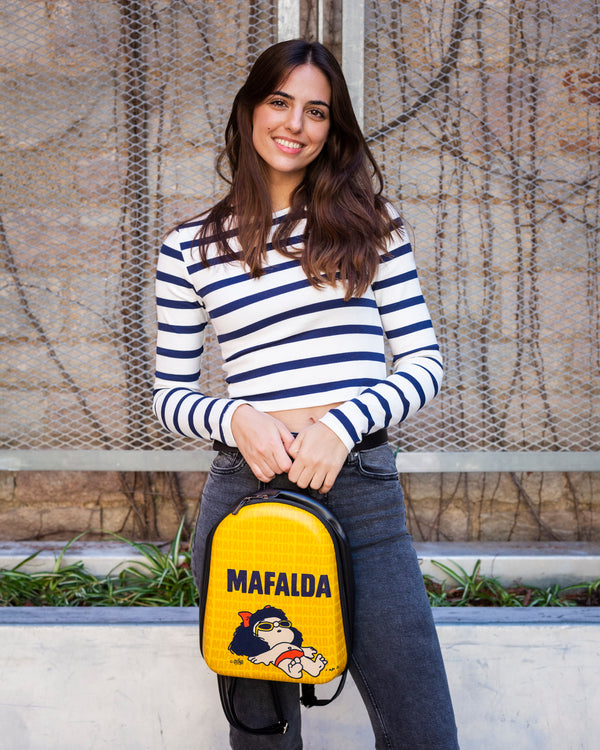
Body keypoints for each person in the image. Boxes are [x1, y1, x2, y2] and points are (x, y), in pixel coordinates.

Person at [153, 39, 459, 750]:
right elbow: (170, 394)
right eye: (280, 102)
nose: (295, 123)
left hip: (361, 493)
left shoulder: (373, 225)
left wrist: (343, 426)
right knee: (262, 734)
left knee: (421, 729)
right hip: (246, 497)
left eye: (316, 111)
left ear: (333, 128)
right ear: (249, 110)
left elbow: (424, 362)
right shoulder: (189, 245)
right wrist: (234, 417)